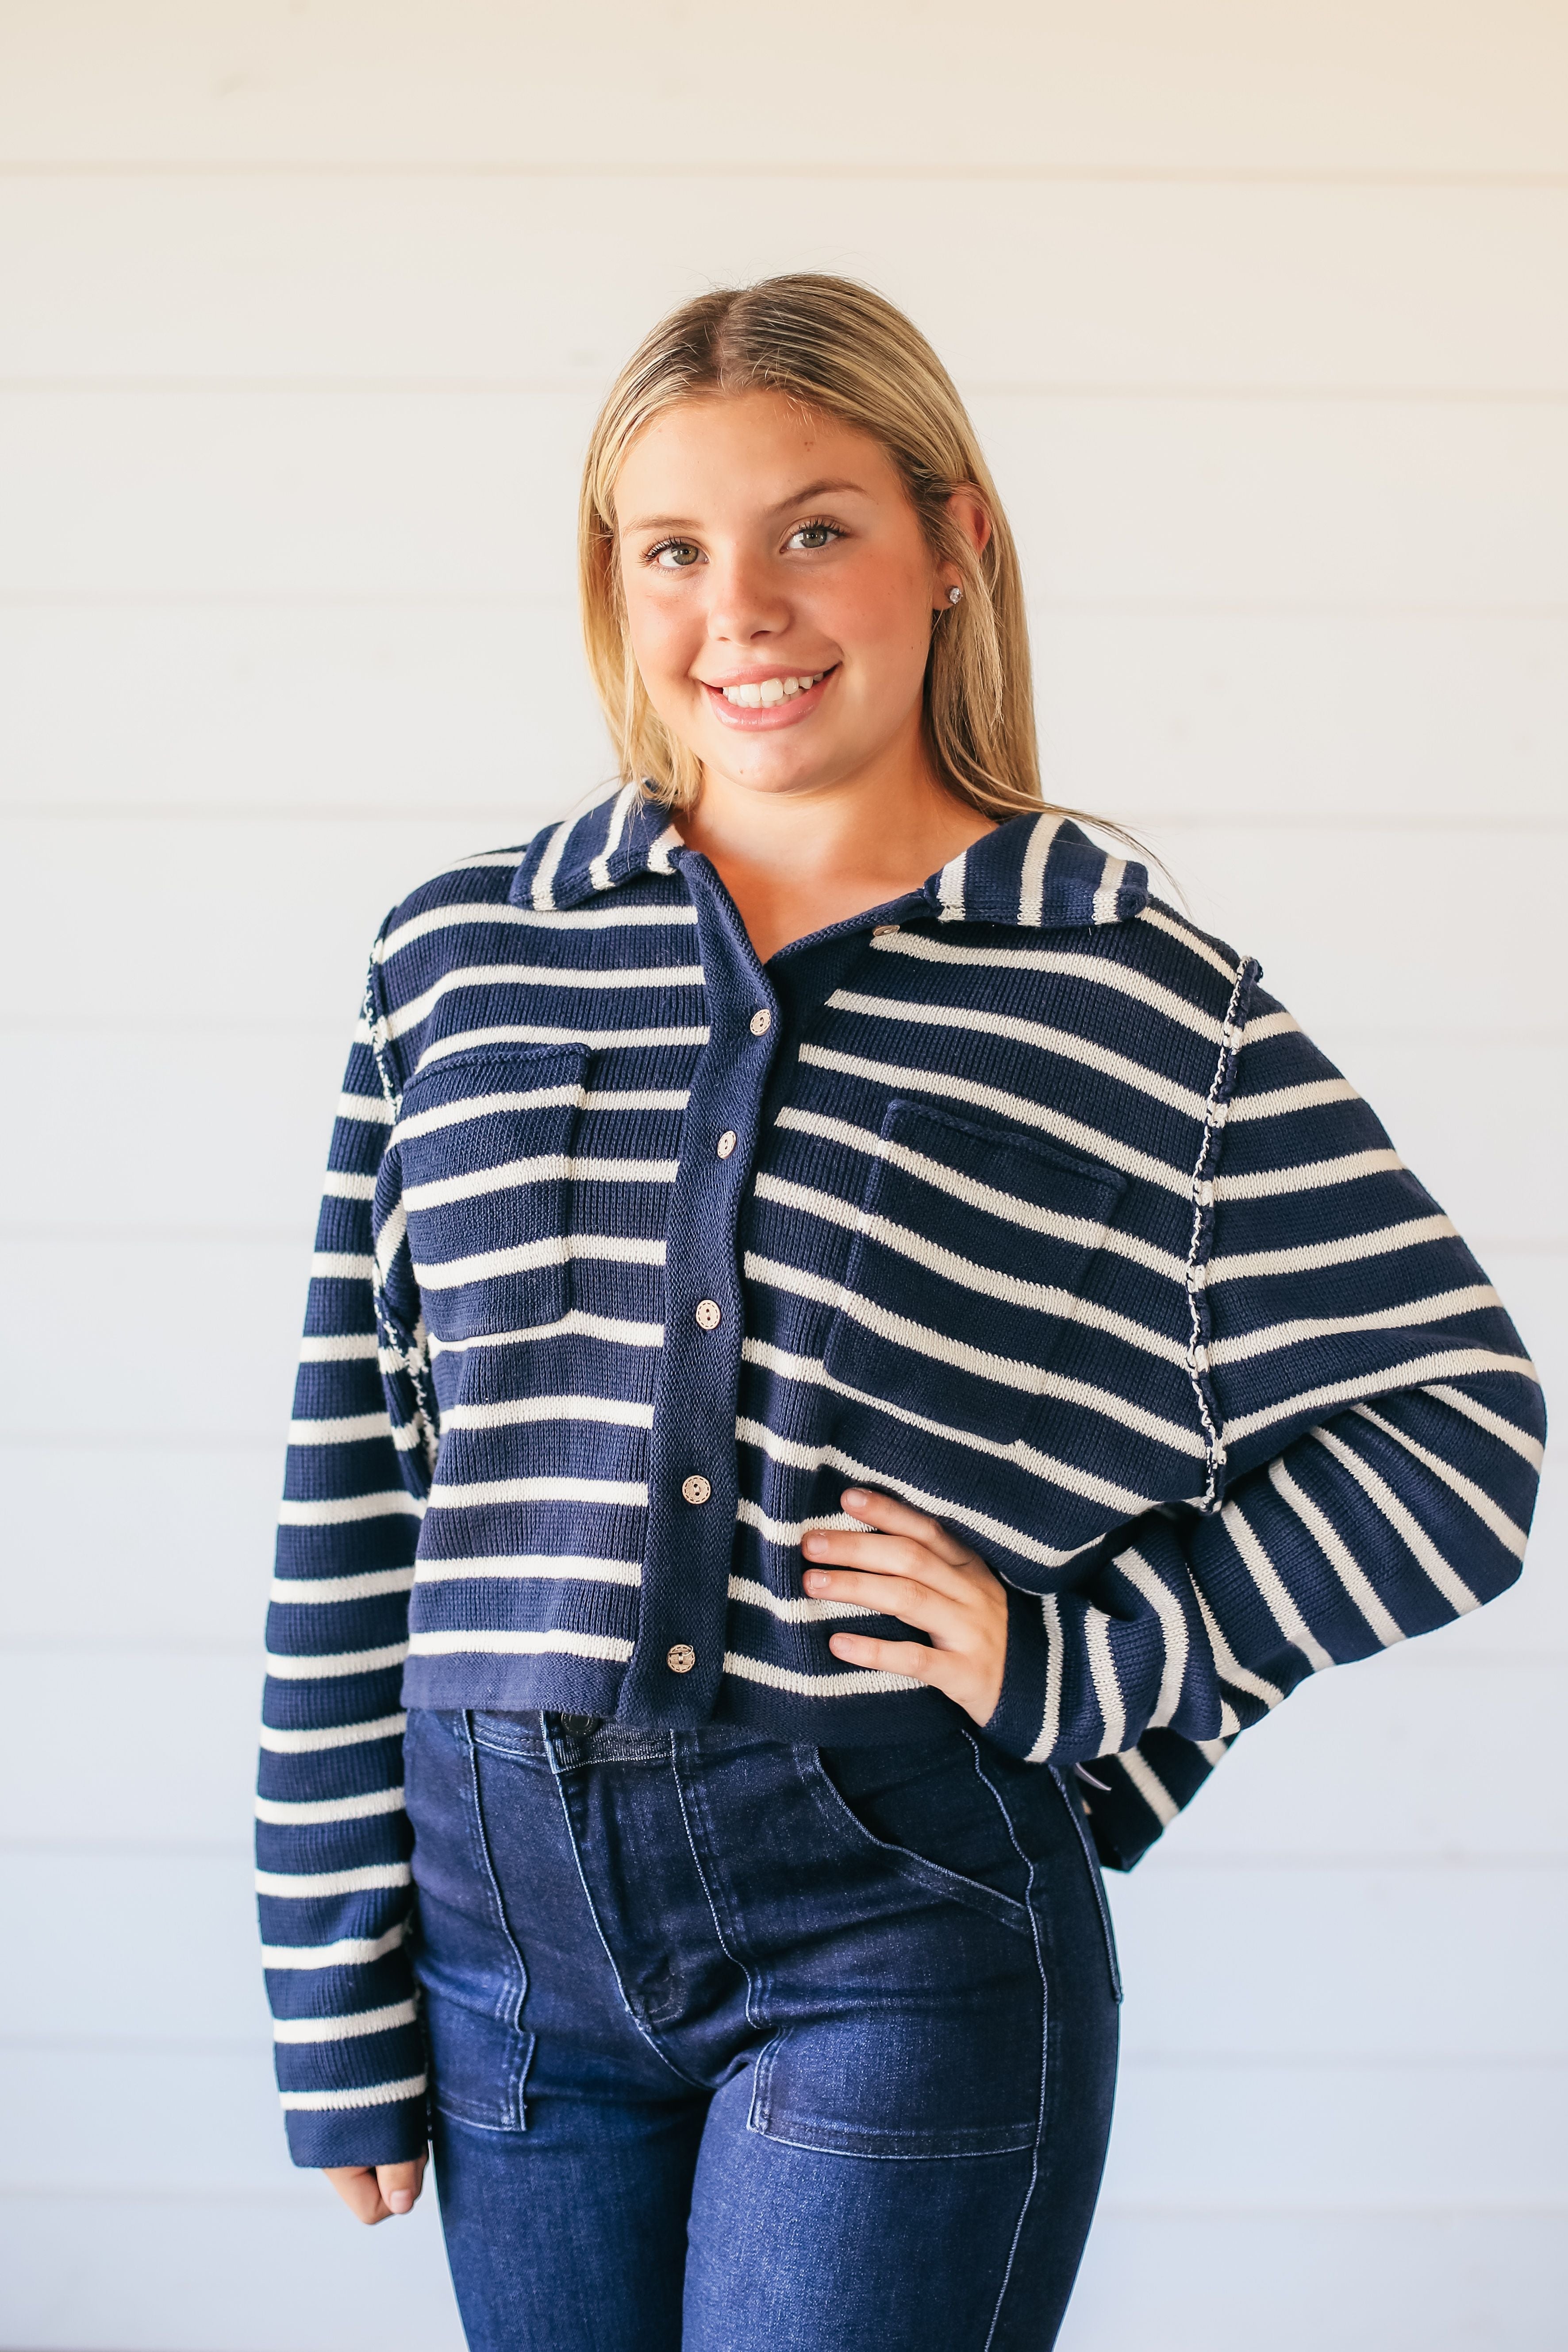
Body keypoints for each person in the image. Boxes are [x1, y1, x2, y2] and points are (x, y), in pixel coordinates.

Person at [257, 276, 1545, 2351]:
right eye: (674, 546)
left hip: (892, 1923)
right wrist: (330, 1985)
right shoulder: (464, 957)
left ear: (953, 544)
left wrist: (1089, 1663)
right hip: (497, 1948)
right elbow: (359, 1477)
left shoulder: (1130, 989)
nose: (741, 606)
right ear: (616, 579)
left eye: (815, 527)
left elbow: (1457, 1434)